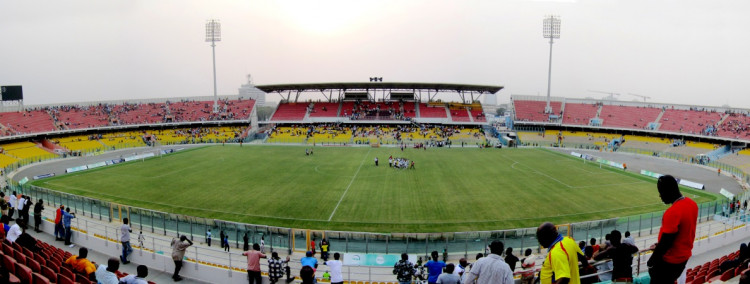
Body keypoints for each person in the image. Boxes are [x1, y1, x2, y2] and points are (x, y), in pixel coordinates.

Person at [648, 175, 698, 283]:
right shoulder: (692, 204)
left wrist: (651, 262)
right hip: (683, 258)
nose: (660, 196)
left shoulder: (672, 212)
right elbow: (681, 233)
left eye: (661, 192)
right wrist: (659, 244)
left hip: (669, 262)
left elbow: (666, 242)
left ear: (668, 191)